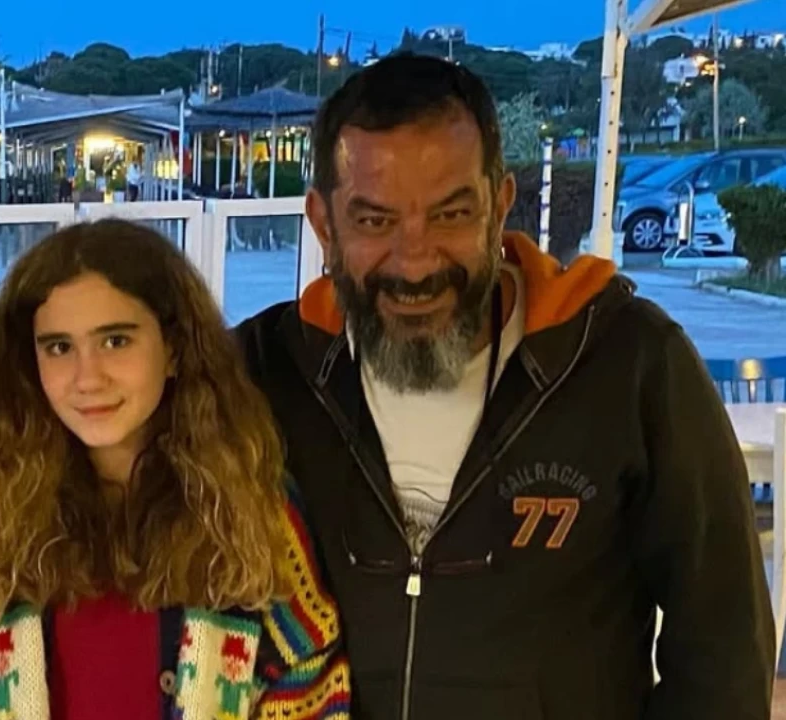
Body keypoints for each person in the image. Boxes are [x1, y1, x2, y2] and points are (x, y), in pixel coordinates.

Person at [235, 54, 775, 719]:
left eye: (451, 215)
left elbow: (724, 648)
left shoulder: (630, 362)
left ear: (500, 206)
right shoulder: (260, 372)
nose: (415, 262)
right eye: (374, 221)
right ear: (323, 224)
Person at [0, 219, 348, 719]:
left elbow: (310, 687)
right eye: (59, 347)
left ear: (174, 350)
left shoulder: (256, 512)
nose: (88, 378)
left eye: (115, 341)